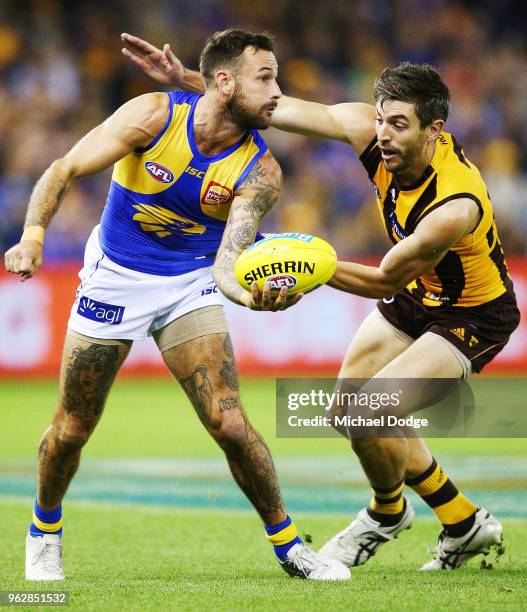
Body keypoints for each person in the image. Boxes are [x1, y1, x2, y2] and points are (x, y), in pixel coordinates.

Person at [122, 33, 520, 570]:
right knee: (346, 410)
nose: (382, 134)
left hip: (473, 313)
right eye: (380, 118)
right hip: (420, 294)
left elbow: (381, 282)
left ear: (435, 131)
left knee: (371, 413)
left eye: (398, 125)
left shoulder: (453, 206)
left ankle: (385, 514)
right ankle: (462, 520)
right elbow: (273, 106)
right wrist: (190, 84)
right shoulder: (370, 132)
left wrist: (303, 264)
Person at [4, 29, 351, 582]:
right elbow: (64, 168)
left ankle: (289, 545)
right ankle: (44, 532)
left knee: (229, 422)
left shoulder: (261, 172)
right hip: (114, 277)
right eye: (265, 78)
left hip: (189, 282)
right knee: (71, 429)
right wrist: (33, 235)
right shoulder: (153, 116)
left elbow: (227, 262)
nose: (277, 92)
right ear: (223, 81)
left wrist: (251, 297)